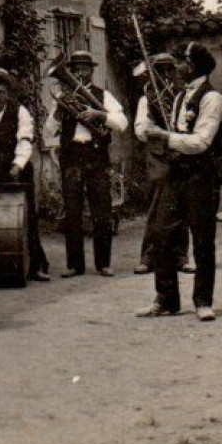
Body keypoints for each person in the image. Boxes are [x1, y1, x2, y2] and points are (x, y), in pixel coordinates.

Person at [135, 42, 222, 321]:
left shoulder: (213, 99)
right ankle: (166, 299)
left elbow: (201, 141)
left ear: (194, 67)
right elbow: (178, 132)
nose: (177, 67)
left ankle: (203, 301)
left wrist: (164, 137)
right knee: (162, 234)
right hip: (176, 175)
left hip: (201, 177)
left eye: (182, 62)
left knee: (202, 239)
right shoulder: (178, 97)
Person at [43, 50, 128, 277]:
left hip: (96, 157)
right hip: (71, 158)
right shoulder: (62, 97)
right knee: (72, 213)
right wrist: (59, 113)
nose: (79, 74)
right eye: (75, 69)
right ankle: (74, 265)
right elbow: (47, 132)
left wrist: (98, 115)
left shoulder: (103, 95)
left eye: (84, 69)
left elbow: (122, 123)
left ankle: (104, 264)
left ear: (92, 71)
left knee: (102, 212)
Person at [0, 68, 51, 281]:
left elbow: (25, 140)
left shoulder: (20, 111)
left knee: (28, 217)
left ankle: (35, 267)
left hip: (20, 170)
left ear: (7, 93)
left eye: (1, 91)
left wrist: (17, 165)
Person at [132, 52, 189, 277]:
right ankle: (148, 256)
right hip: (159, 156)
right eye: (160, 70)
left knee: (181, 205)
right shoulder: (147, 98)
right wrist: (159, 131)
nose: (165, 75)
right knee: (157, 206)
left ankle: (181, 255)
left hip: (181, 153)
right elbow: (140, 131)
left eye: (169, 70)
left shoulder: (183, 96)